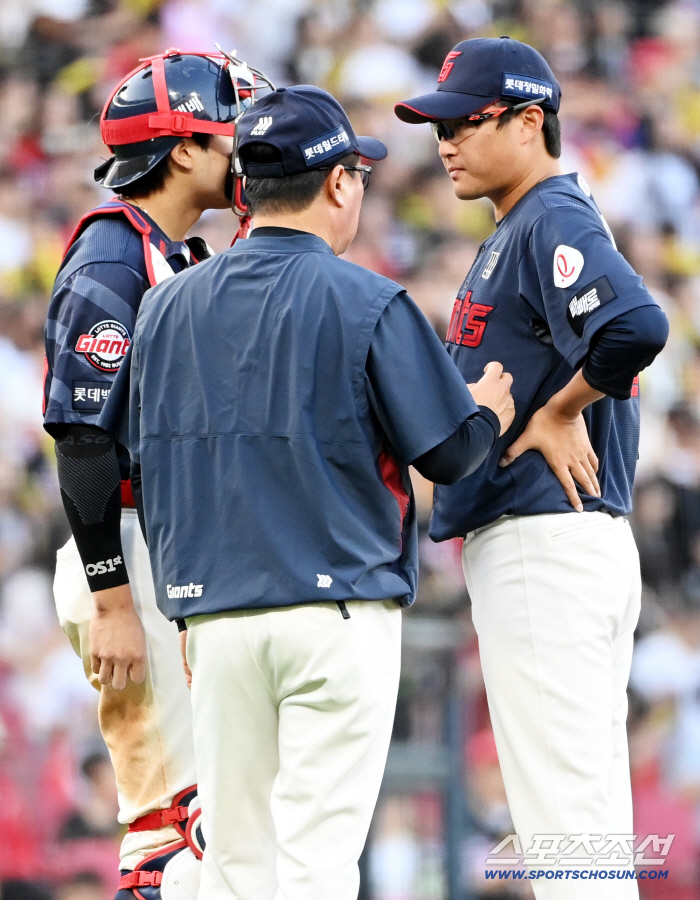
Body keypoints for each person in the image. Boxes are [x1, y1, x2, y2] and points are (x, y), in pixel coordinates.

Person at [99, 84, 515, 900]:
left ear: (246, 187)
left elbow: (132, 463)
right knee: (314, 867)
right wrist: (489, 412)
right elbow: (452, 454)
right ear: (339, 184)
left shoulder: (163, 307)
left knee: (236, 864)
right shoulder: (367, 297)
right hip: (336, 614)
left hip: (213, 619)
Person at [395, 37, 669, 897]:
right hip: (550, 546)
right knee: (572, 823)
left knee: (568, 834)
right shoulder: (520, 222)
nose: (445, 142)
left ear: (527, 121)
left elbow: (638, 327)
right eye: (439, 126)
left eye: (466, 123)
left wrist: (556, 410)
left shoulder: (550, 213)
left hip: (545, 542)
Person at [43, 47, 268, 897]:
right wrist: (111, 601)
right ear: (182, 150)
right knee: (173, 830)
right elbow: (83, 440)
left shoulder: (174, 252)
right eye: (228, 135)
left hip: (163, 547)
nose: (243, 152)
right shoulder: (112, 259)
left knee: (211, 824)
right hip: (126, 552)